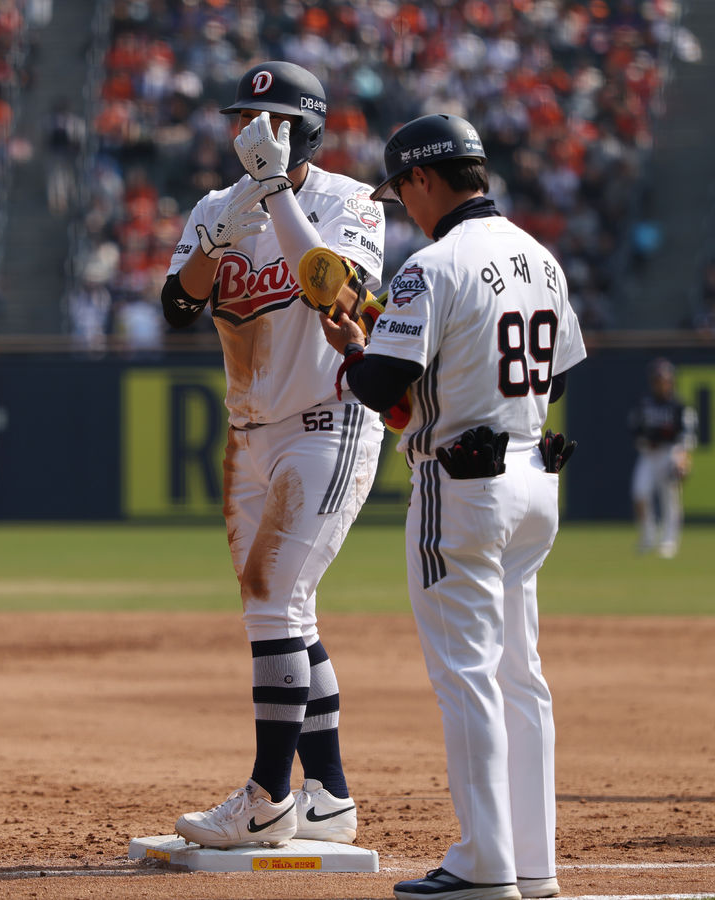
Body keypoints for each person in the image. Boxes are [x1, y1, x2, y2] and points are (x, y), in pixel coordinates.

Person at [320, 113, 587, 900]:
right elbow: (559, 376)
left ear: (424, 177)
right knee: (521, 676)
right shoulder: (541, 257)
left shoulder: (432, 266)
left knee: (467, 676)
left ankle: (484, 864)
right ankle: (533, 863)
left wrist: (355, 346)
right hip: (536, 475)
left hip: (462, 485)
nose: (403, 204)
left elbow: (378, 385)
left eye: (402, 189)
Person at [160, 61, 386, 848]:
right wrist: (215, 236)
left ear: (307, 131)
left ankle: (267, 797)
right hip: (250, 433)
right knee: (288, 609)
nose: (251, 131)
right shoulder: (215, 205)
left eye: (274, 121)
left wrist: (276, 192)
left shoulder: (350, 201)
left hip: (327, 422)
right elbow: (179, 306)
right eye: (244, 119)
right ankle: (329, 796)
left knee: (270, 601)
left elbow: (340, 294)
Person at [628, 357, 697, 558]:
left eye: (664, 379)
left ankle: (669, 540)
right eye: (657, 380)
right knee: (640, 493)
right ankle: (648, 535)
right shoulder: (644, 404)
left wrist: (682, 457)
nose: (661, 384)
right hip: (649, 455)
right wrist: (644, 442)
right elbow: (634, 429)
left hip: (670, 453)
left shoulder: (679, 406)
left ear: (671, 381)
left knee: (669, 497)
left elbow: (687, 434)